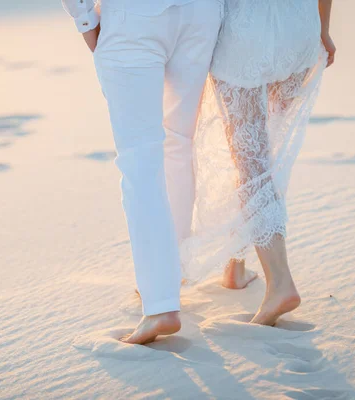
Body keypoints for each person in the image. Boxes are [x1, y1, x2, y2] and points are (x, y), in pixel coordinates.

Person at [61, 0, 224, 344]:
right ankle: (172, 272)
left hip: (134, 17)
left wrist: (85, 21)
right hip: (202, 14)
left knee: (140, 161)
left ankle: (161, 303)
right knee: (178, 144)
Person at [181, 0, 336, 326]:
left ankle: (280, 283)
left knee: (252, 161)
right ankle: (235, 266)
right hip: (300, 31)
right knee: (269, 152)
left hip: (246, 35)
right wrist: (323, 27)